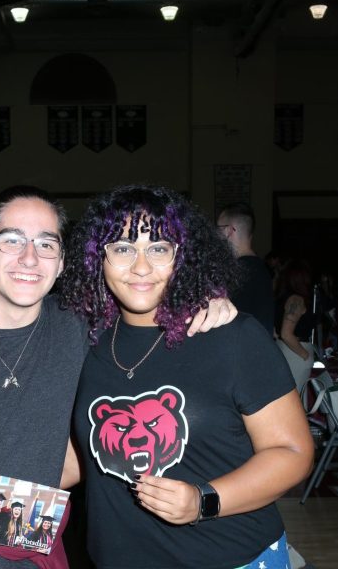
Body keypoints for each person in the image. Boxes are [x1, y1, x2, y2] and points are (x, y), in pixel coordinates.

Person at [0, 186, 236, 569]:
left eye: (46, 244)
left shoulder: (85, 328)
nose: (30, 258)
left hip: (38, 551)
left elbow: (148, 291)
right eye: (12, 240)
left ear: (63, 260)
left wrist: (206, 299)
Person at [59, 184, 314, 569]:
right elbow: (78, 459)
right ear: (99, 258)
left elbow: (293, 453)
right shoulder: (86, 343)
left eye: (158, 248)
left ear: (182, 257)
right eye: (123, 248)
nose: (141, 266)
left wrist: (203, 500)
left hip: (232, 558)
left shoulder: (231, 336)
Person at [217, 202, 275, 335]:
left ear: (228, 231)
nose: (217, 236)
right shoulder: (260, 269)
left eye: (218, 229)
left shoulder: (238, 272)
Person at [274, 258, 315, 392]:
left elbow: (277, 331)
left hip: (285, 351)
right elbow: (286, 333)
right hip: (295, 354)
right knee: (296, 400)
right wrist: (305, 355)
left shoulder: (283, 298)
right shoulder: (296, 299)